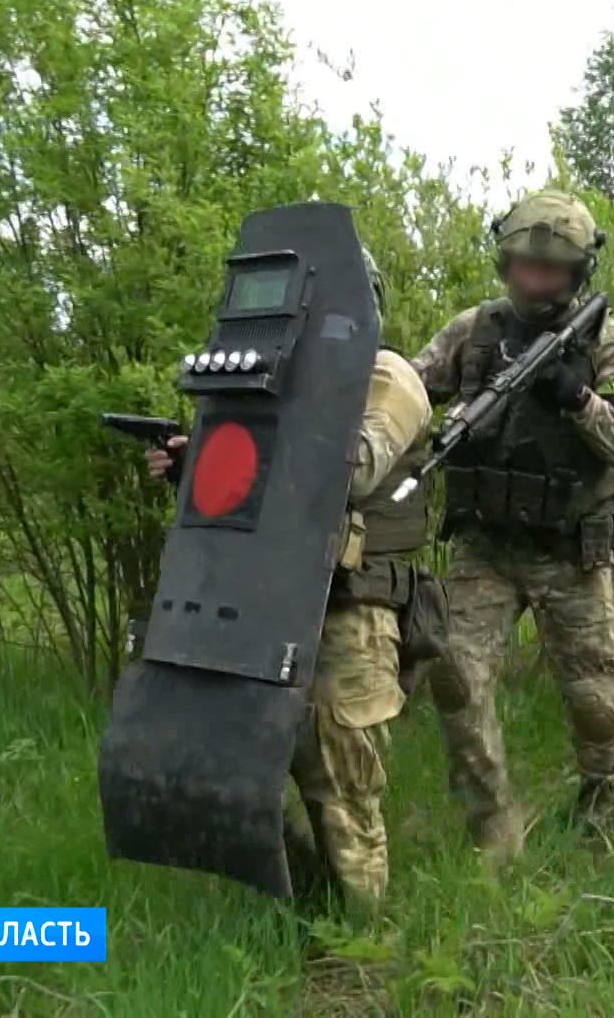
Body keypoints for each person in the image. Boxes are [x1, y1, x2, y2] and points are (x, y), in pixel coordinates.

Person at [144, 249, 433, 912]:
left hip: (348, 610)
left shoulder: (386, 374)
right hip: (263, 603)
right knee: (241, 766)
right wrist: (200, 463)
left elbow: (352, 468)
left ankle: (359, 948)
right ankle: (304, 906)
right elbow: (253, 488)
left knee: (343, 785)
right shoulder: (273, 384)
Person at [410, 190, 614, 858]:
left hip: (571, 550)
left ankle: (605, 819)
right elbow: (406, 390)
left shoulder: (609, 341)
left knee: (594, 700)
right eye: (523, 266)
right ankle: (493, 827)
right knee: (455, 676)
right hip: (485, 545)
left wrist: (578, 398)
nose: (535, 281)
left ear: (577, 274)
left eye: (550, 271)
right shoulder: (475, 330)